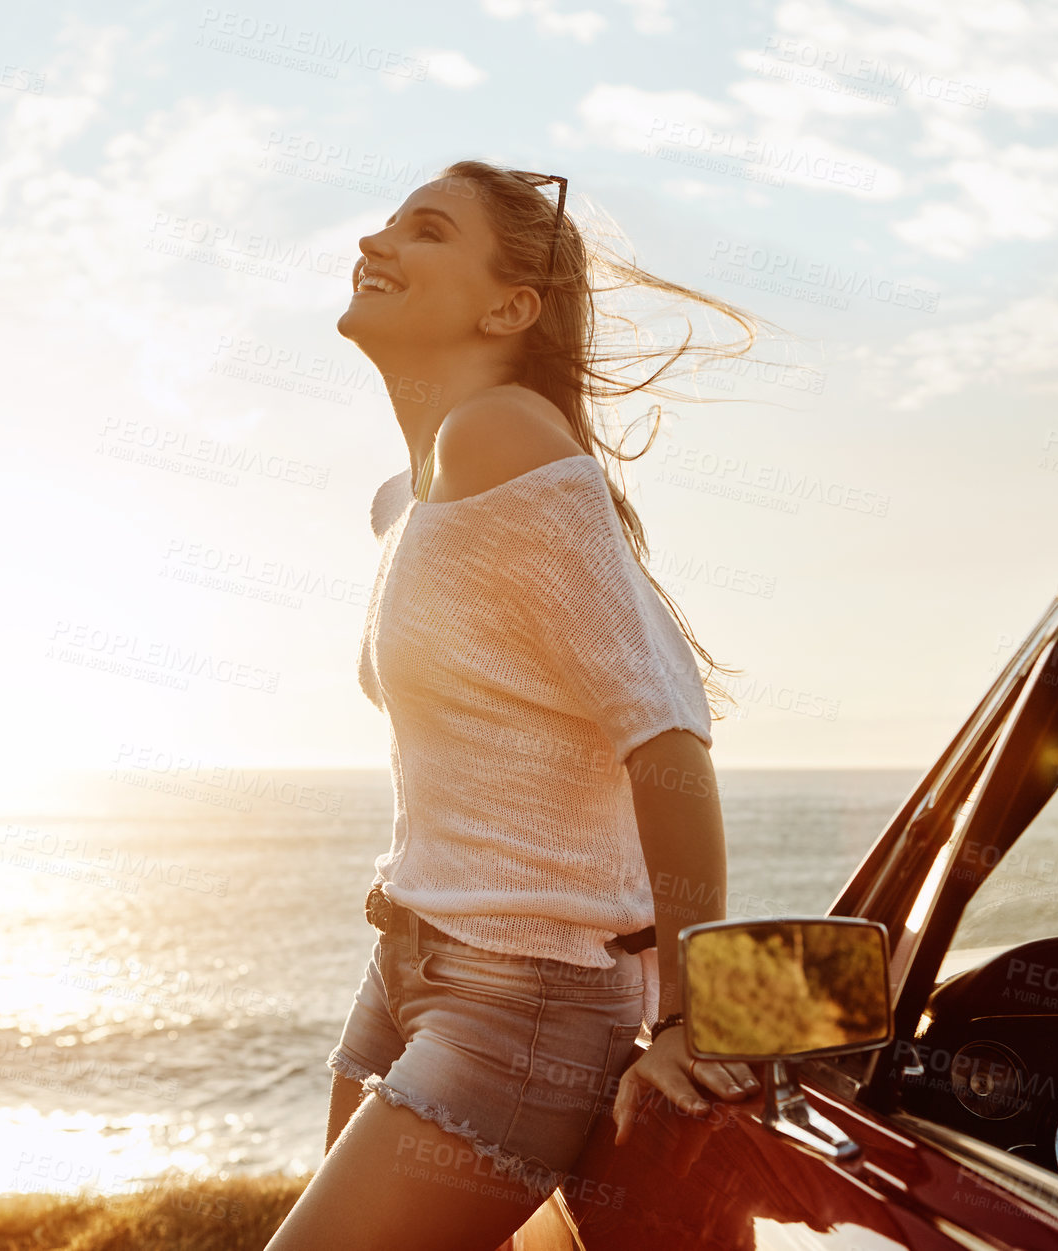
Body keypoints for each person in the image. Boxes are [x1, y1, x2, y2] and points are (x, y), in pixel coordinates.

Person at [264, 160, 771, 1251]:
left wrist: (686, 1018)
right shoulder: (412, 496)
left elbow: (666, 732)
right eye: (389, 221)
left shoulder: (502, 437)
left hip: (521, 998)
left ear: (510, 306)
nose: (379, 241)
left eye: (427, 231)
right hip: (407, 953)